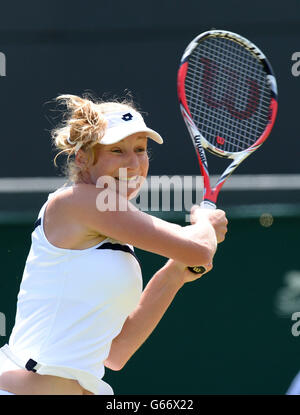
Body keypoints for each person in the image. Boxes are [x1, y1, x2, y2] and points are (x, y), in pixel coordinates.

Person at [0, 93, 228, 395]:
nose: (133, 163)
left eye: (140, 150)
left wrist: (174, 274)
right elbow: (198, 249)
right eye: (118, 151)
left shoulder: (113, 239)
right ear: (83, 158)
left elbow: (116, 352)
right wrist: (204, 225)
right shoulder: (79, 201)